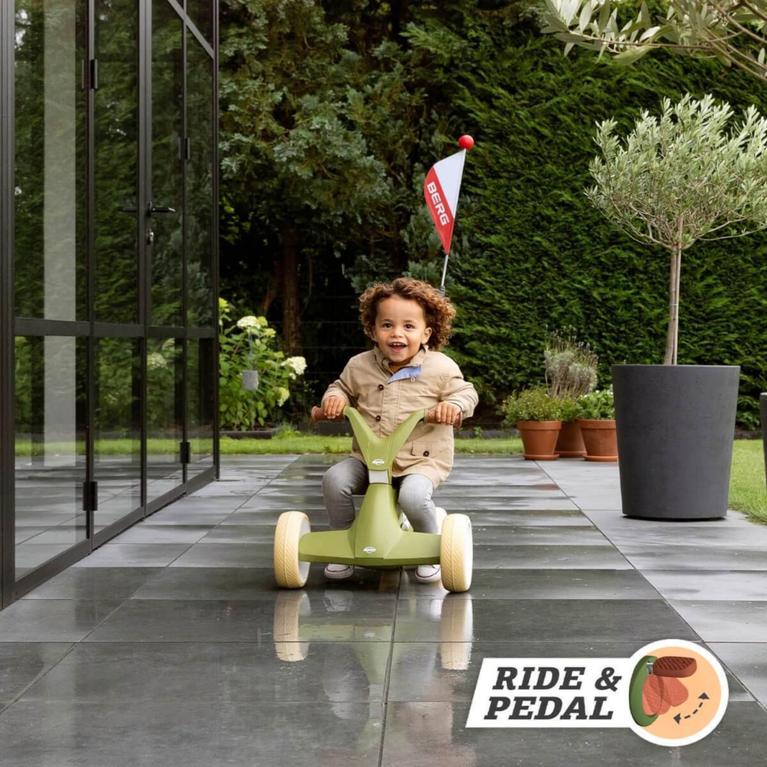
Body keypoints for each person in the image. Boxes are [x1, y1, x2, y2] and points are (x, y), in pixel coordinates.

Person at [319, 277, 478, 583]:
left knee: (414, 497)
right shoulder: (359, 365)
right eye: (387, 325)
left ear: (426, 333)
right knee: (333, 480)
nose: (397, 334)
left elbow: (466, 393)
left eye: (408, 326)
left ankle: (431, 544)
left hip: (421, 459)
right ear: (373, 330)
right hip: (369, 457)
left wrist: (454, 407)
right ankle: (343, 540)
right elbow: (340, 388)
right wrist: (334, 400)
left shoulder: (441, 367)